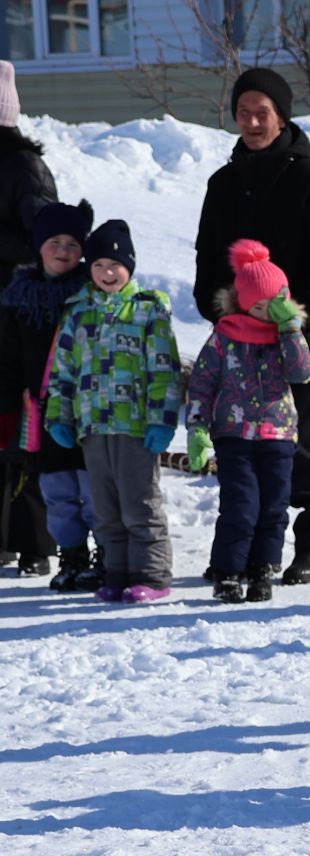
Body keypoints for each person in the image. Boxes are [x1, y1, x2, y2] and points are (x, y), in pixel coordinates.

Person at [194, 67, 310, 586]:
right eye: (243, 112)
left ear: (281, 115)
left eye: (261, 112)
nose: (251, 121)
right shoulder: (223, 184)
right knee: (242, 458)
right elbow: (206, 257)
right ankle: (245, 551)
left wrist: (301, 307)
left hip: (295, 342)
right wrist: (217, 306)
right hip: (239, 346)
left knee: (306, 448)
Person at [46, 220, 180, 604]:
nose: (107, 273)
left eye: (115, 266)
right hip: (93, 427)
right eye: (99, 265)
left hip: (136, 427)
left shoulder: (147, 311)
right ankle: (117, 574)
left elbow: (163, 371)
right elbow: (63, 370)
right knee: (105, 508)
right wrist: (60, 417)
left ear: (129, 267)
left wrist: (162, 419)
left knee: (140, 505)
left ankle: (152, 577)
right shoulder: (78, 313)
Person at [184, 239, 310, 604]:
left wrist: (291, 329)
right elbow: (202, 382)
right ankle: (227, 571)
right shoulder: (225, 336)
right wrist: (196, 427)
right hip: (233, 434)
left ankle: (262, 569)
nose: (262, 312)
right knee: (240, 505)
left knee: (274, 506)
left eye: (269, 304)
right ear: (241, 301)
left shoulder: (286, 335)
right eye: (255, 304)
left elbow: (303, 373)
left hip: (278, 434)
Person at [0, 199, 95, 590]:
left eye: (72, 243)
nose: (62, 250)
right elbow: (7, 355)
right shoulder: (18, 296)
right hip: (34, 403)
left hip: (84, 403)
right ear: (38, 246)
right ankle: (43, 549)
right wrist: (8, 401)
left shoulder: (90, 293)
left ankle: (98, 552)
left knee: (89, 484)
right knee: (40, 476)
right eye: (54, 241)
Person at [0, 60, 58, 575]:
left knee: (23, 426)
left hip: (16, 314)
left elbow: (50, 242)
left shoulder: (23, 167)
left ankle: (34, 539)